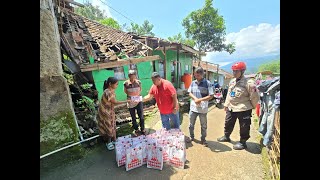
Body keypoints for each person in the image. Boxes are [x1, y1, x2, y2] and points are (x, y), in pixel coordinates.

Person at [217, 62, 259, 150]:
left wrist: (252, 106)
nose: (234, 73)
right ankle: (226, 136)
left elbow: (255, 96)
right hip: (231, 107)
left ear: (242, 71)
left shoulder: (249, 83)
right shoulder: (232, 81)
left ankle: (243, 142)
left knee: (244, 126)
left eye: (236, 71)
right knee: (228, 123)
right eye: (233, 71)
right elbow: (229, 93)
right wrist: (226, 104)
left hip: (244, 108)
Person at [185, 67, 214, 146]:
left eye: (198, 75)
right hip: (193, 108)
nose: (196, 77)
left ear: (202, 74)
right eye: (195, 75)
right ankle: (191, 137)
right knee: (191, 124)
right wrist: (195, 99)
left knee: (203, 125)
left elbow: (211, 95)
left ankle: (203, 139)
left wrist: (200, 99)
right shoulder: (193, 83)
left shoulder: (208, 83)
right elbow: (189, 92)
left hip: (202, 109)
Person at [97, 77, 127, 151]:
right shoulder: (108, 92)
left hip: (110, 111)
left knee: (113, 125)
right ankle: (108, 142)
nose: (117, 85)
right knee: (109, 126)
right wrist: (127, 101)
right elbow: (115, 102)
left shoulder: (111, 91)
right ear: (110, 84)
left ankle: (114, 140)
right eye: (116, 84)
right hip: (105, 112)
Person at [123, 70, 145, 136]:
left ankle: (143, 128)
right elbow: (125, 91)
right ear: (128, 76)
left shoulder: (138, 82)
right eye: (130, 77)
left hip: (138, 101)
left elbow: (140, 89)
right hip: (131, 102)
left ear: (135, 76)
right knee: (133, 117)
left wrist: (136, 94)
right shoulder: (126, 83)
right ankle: (136, 129)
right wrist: (132, 94)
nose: (132, 78)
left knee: (141, 116)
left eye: (133, 76)